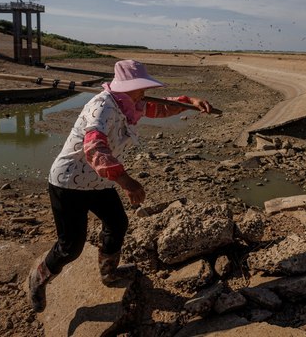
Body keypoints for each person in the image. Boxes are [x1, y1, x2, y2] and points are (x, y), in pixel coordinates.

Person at [28, 59, 214, 312]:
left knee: (117, 223)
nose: (144, 92)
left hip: (99, 181)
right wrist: (126, 181)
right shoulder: (101, 107)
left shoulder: (129, 103)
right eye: (140, 87)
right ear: (125, 87)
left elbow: (158, 108)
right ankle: (38, 279)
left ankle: (108, 273)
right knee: (70, 247)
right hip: (70, 183)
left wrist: (189, 102)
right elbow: (94, 147)